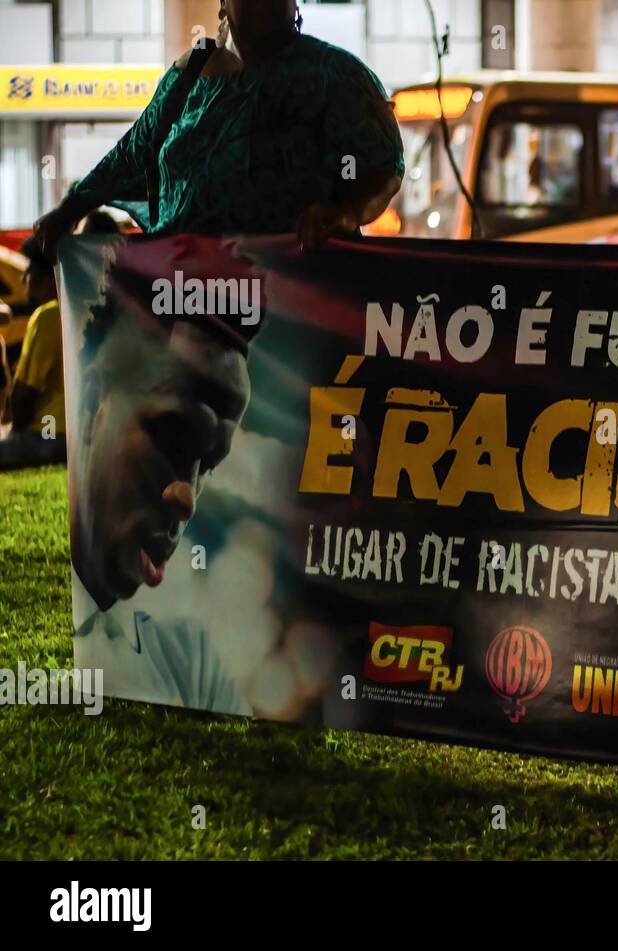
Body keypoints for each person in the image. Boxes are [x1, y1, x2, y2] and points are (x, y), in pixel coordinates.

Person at [33, 0, 403, 257]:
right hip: (182, 300)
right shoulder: (188, 74)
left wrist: (343, 214)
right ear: (224, 5)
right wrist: (70, 210)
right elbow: (132, 154)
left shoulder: (335, 75)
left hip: (291, 311)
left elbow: (380, 167)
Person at [67, 238, 260, 715]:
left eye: (207, 464)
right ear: (91, 406)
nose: (186, 498)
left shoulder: (190, 658)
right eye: (171, 441)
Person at [0, 238, 66, 471]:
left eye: (28, 270)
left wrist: (15, 430)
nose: (23, 278)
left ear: (46, 278)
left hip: (50, 433)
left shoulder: (47, 316)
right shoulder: (85, 310)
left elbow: (24, 396)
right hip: (82, 435)